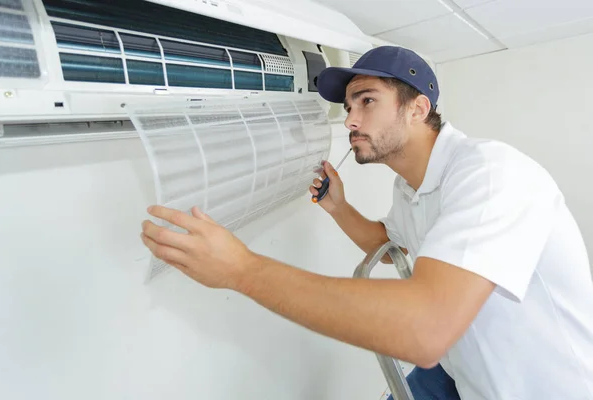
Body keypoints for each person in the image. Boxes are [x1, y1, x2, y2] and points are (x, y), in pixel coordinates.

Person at [140, 46, 593, 399]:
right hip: (468, 376)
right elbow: (388, 239)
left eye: (366, 101)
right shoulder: (410, 187)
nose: (350, 120)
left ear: (417, 109)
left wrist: (241, 269)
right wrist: (339, 207)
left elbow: (425, 328)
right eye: (349, 106)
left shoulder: (491, 174)